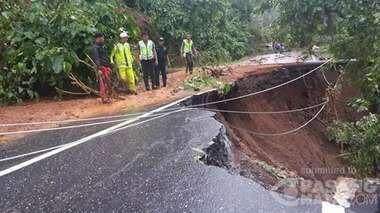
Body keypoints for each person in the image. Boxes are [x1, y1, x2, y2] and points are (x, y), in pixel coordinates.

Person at [90, 33, 112, 104]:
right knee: (103, 83)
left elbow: (105, 58)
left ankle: (108, 97)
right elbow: (96, 59)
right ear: (98, 38)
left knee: (107, 83)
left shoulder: (102, 47)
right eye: (102, 38)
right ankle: (104, 98)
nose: (103, 39)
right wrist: (99, 69)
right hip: (101, 67)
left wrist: (108, 66)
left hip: (105, 67)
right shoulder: (95, 48)